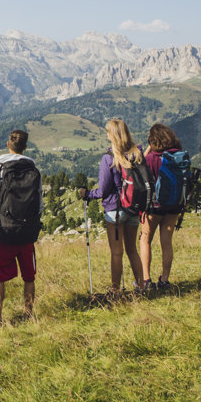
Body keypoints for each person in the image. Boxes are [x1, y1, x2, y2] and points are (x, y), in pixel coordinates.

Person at [76, 117, 147, 296]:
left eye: (108, 131)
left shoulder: (108, 158)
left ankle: (115, 290)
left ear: (111, 134)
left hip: (114, 210)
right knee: (132, 250)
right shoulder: (137, 154)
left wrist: (87, 195)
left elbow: (103, 190)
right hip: (133, 208)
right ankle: (141, 286)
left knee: (117, 253)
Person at [0, 129, 43, 325]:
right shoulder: (34, 170)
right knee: (29, 276)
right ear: (25, 147)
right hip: (27, 232)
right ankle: (28, 314)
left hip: (3, 231)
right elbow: (39, 204)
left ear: (8, 144)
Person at [140, 122, 184, 288]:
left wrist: (148, 150)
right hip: (174, 206)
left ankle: (146, 280)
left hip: (154, 207)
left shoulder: (151, 159)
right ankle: (164, 280)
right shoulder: (179, 157)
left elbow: (138, 170)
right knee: (167, 243)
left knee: (145, 240)